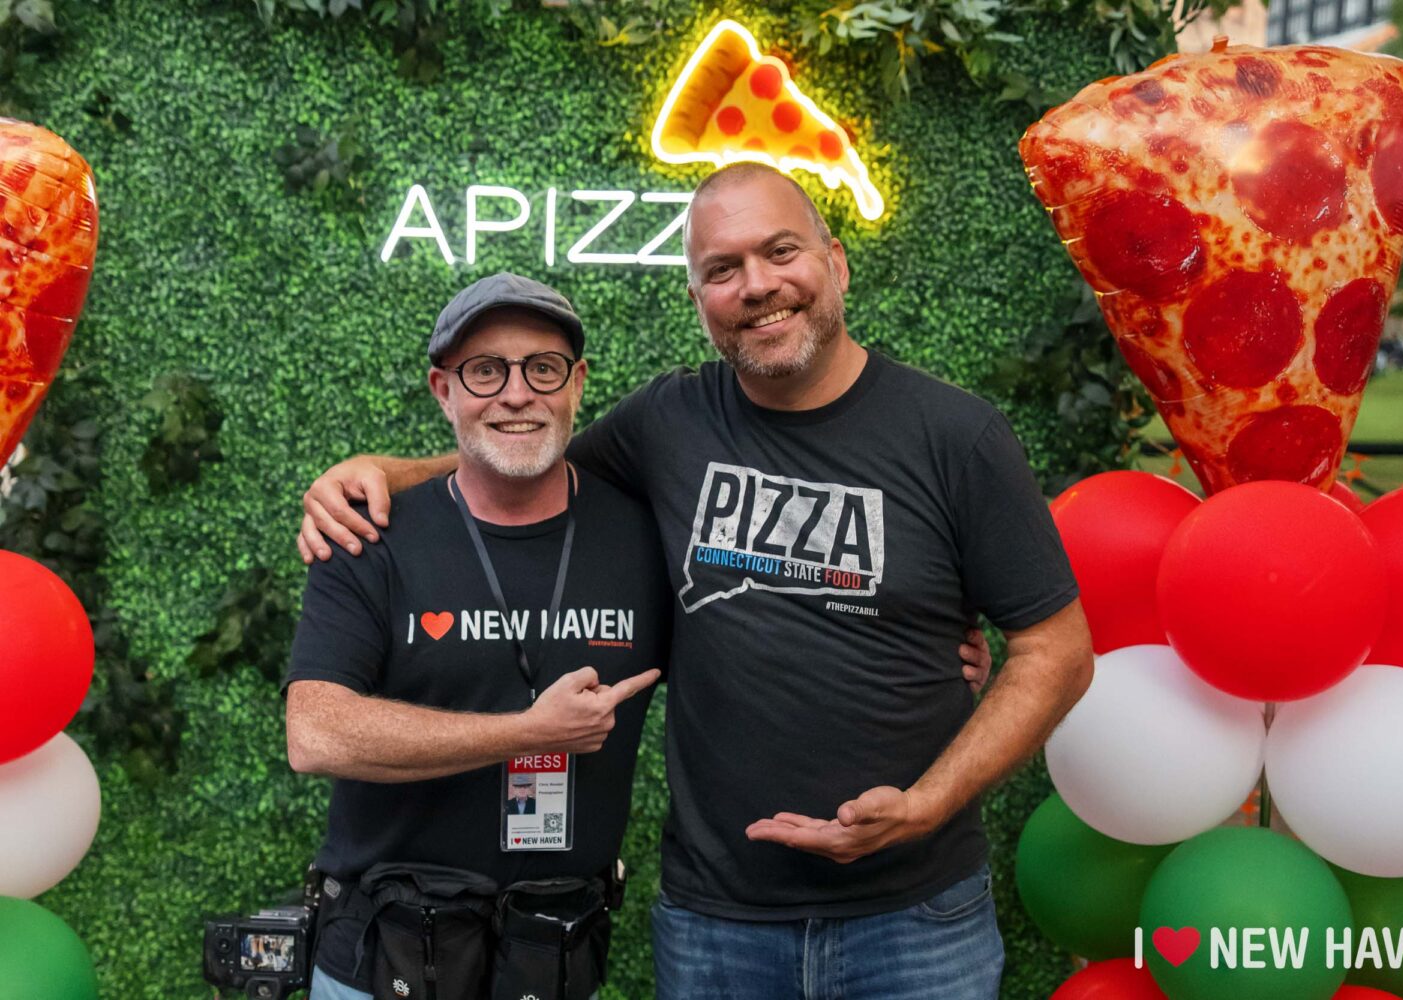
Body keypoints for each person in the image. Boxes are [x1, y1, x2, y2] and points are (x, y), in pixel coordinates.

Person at [299, 162, 1093, 999]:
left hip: (917, 918)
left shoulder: (956, 436)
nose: (757, 285)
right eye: (722, 269)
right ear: (698, 299)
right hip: (719, 925)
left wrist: (930, 802)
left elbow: (1056, 650)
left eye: (779, 251)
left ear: (836, 261)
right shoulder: (666, 422)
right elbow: (523, 461)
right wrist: (378, 471)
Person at [283, 274, 669, 999]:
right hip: (379, 966)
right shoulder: (370, 533)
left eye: (542, 368)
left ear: (577, 384)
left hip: (552, 961)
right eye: (485, 371)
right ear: (443, 390)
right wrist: (528, 732)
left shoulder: (648, 537)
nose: (516, 394)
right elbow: (316, 734)